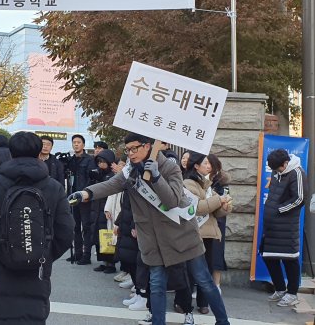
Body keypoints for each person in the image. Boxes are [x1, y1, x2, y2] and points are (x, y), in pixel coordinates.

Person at [69, 133, 230, 325]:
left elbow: (172, 201)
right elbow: (111, 185)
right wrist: (86, 193)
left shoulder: (169, 166)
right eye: (127, 150)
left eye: (134, 149)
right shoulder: (130, 170)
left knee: (204, 280)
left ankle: (222, 321)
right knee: (156, 285)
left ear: (148, 146)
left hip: (181, 235)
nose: (130, 154)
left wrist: (156, 176)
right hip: (151, 237)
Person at [0, 131, 74, 325]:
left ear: (10, 153)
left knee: (2, 316)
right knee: (34, 317)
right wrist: (43, 253)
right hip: (37, 268)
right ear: (39, 153)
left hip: (2, 266)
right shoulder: (53, 187)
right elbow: (66, 231)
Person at [182, 152, 232, 315]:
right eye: (205, 163)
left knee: (208, 272)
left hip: (211, 233)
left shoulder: (208, 184)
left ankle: (203, 303)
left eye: (210, 163)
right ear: (196, 166)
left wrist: (225, 207)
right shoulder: (188, 183)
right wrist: (219, 201)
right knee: (190, 272)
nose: (209, 166)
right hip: (195, 233)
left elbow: (215, 213)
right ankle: (183, 303)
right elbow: (197, 208)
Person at [261, 148, 307, 307]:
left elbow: (300, 199)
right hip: (271, 224)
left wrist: (279, 210)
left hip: (287, 225)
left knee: (290, 259)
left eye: (278, 168)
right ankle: (280, 288)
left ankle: (292, 293)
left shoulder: (297, 172)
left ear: (286, 163)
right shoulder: (276, 171)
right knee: (268, 256)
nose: (276, 172)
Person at [67, 134, 96, 264]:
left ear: (83, 145)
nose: (76, 144)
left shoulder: (89, 160)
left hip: (84, 197)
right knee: (75, 226)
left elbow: (91, 179)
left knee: (86, 226)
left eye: (78, 142)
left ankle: (86, 255)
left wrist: (86, 194)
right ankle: (77, 253)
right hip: (73, 197)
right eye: (74, 142)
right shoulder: (71, 160)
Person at [90, 149, 117, 273]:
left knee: (108, 236)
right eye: (99, 162)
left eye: (103, 162)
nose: (100, 164)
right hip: (97, 208)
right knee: (99, 236)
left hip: (107, 209)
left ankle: (111, 263)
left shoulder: (113, 175)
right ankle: (104, 261)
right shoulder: (99, 174)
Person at [207, 154, 231, 291]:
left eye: (208, 163)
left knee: (216, 253)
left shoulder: (222, 181)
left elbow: (225, 201)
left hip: (217, 221)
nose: (206, 166)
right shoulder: (197, 179)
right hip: (201, 221)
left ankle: (217, 285)